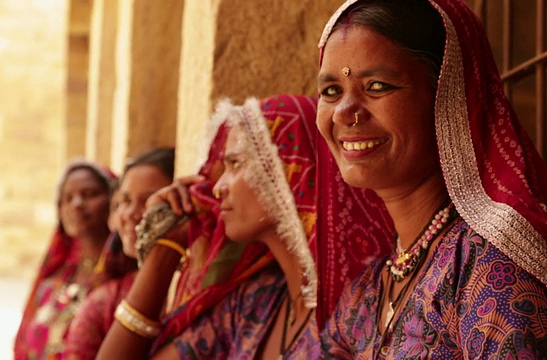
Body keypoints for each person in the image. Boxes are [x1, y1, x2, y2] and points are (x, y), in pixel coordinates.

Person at [316, 0, 547, 358]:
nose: (344, 111)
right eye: (331, 91)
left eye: (377, 85)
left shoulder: (492, 268)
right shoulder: (366, 294)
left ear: (448, 98)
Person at [96, 94, 322, 359]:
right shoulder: (254, 305)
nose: (218, 187)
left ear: (290, 168)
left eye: (235, 164)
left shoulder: (355, 307)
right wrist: (167, 244)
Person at [63, 147, 175, 359]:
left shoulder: (196, 291)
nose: (130, 213)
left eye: (148, 199)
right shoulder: (104, 303)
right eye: (125, 201)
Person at [15, 160, 118, 359]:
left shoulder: (122, 285)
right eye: (67, 198)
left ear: (114, 200)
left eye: (89, 194)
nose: (77, 204)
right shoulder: (50, 285)